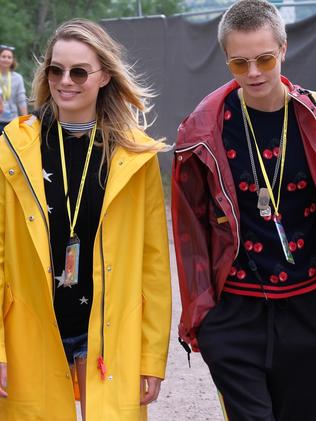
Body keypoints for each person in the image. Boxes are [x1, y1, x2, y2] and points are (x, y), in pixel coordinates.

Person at [0, 19, 171, 421]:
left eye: (79, 71)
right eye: (55, 70)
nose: (65, 81)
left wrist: (150, 356)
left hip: (108, 332)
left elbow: (154, 266)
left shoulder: (135, 155)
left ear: (104, 76)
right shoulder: (14, 148)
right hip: (31, 328)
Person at [172, 0, 316, 419]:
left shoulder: (310, 118)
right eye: (240, 63)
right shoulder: (202, 131)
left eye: (264, 58)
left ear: (284, 50)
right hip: (236, 311)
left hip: (307, 307)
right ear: (227, 60)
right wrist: (206, 321)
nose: (253, 72)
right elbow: (191, 231)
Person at [0, 45, 27, 132]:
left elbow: (21, 99)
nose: (6, 59)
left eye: (9, 57)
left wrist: (25, 119)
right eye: (3, 56)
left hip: (12, 121)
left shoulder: (18, 78)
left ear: (12, 60)